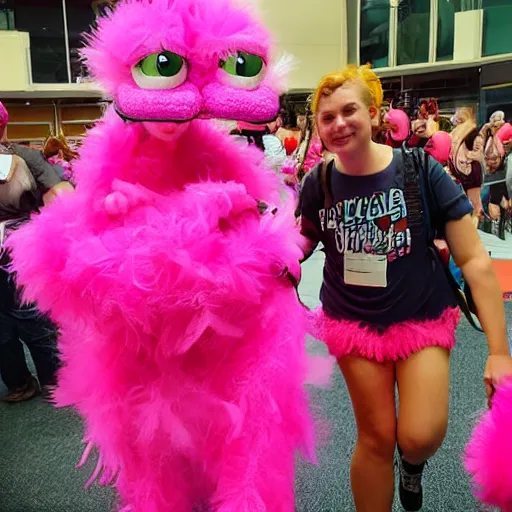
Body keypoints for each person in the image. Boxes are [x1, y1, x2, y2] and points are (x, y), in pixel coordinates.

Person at [298, 65, 512, 512]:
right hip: (352, 323)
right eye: (327, 116)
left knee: (419, 435)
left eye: (349, 110)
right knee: (376, 438)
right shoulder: (317, 183)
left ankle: (411, 467)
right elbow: (306, 237)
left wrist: (499, 350)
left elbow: (474, 259)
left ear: (374, 114)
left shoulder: (418, 170)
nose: (339, 124)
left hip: (422, 317)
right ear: (317, 125)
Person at [0, 101, 72, 402]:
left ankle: (19, 383)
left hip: (17, 243)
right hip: (20, 246)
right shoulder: (25, 156)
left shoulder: (25, 156)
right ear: (5, 125)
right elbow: (64, 199)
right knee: (32, 314)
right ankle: (54, 382)